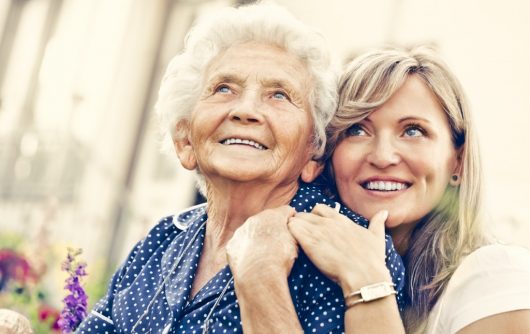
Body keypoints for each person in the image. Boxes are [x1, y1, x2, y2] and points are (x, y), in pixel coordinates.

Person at [75, 3, 405, 334]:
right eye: (223, 89)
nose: (246, 110)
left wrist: (261, 278)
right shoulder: (163, 238)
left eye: (279, 95)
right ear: (185, 142)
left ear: (314, 153)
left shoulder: (349, 251)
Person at [235, 47, 530, 333]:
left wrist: (366, 281)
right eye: (357, 130)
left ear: (458, 162)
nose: (382, 156)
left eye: (413, 131)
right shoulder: (311, 274)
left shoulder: (493, 277)